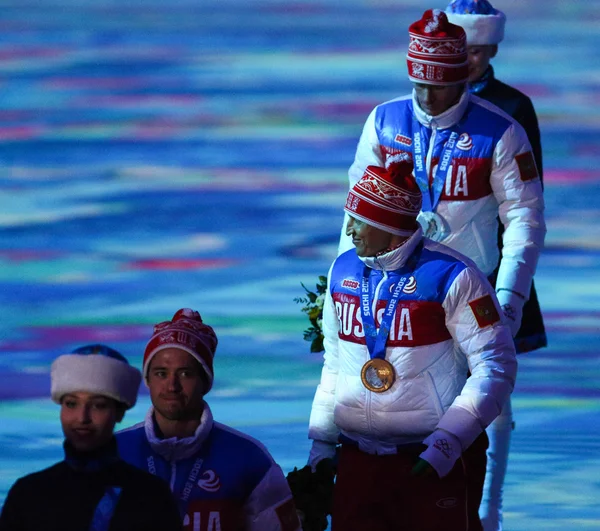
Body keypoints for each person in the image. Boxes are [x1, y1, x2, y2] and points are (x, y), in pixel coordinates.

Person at [308, 161, 518, 531]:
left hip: (429, 459)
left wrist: (450, 439)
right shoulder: (342, 271)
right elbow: (335, 362)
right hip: (358, 463)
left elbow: (495, 364)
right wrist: (322, 442)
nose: (349, 230)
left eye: (359, 219)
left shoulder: (455, 276)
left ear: (389, 227)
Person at [444, 1, 547, 527]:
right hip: (425, 267)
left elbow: (528, 203)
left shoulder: (512, 106)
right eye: (465, 49)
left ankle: (490, 510)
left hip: (489, 266)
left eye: (483, 51)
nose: (473, 61)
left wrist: (510, 284)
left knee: (495, 389)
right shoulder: (407, 110)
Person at [116, 308, 301, 531]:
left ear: (206, 381)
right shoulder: (114, 453)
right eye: (161, 373)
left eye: (185, 373)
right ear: (147, 380)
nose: (172, 386)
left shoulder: (249, 458)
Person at [0, 344, 183, 531]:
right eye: (71, 404)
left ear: (119, 413)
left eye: (98, 405)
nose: (82, 418)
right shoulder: (28, 494)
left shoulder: (150, 496)